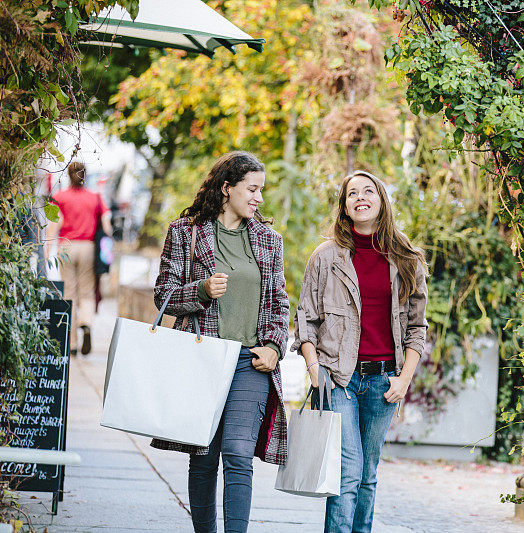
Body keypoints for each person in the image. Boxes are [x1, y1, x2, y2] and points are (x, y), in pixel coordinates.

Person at [151, 151, 289, 533]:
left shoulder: (268, 240)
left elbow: (280, 303)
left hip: (250, 362)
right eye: (252, 188)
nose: (259, 197)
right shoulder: (186, 231)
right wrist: (200, 290)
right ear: (227, 188)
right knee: (204, 455)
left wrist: (274, 348)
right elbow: (163, 293)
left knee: (239, 453)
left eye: (261, 189)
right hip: (203, 359)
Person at [293, 170, 429, 533]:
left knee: (368, 473)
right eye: (352, 193)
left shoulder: (406, 258)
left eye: (368, 191)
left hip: (385, 381)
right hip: (339, 379)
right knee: (348, 469)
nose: (360, 197)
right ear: (345, 206)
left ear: (382, 200)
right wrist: (313, 367)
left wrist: (404, 380)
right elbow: (305, 317)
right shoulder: (326, 257)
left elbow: (417, 327)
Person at [46, 161, 112, 355]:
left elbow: (53, 225)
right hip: (88, 247)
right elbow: (107, 225)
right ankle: (86, 322)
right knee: (87, 293)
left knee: (69, 294)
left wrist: (47, 250)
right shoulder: (95, 198)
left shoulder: (59, 197)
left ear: (68, 175)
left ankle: (72, 344)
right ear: (85, 175)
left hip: (66, 247)